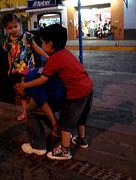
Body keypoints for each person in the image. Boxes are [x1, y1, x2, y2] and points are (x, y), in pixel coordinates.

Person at [21, 24, 93, 160]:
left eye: (42, 43)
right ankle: (81, 140)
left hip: (76, 92)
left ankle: (65, 150)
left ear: (50, 44)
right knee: (81, 117)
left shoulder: (54, 58)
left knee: (66, 121)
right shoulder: (66, 53)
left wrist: (25, 84)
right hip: (88, 87)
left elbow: (42, 80)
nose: (42, 47)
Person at [2, 13, 49, 121]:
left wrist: (47, 57)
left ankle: (33, 109)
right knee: (21, 92)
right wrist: (10, 69)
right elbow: (9, 54)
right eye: (10, 28)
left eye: (15, 26)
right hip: (17, 70)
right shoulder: (8, 41)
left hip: (29, 68)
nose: (13, 30)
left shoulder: (27, 36)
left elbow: (36, 48)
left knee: (31, 90)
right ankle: (25, 112)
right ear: (6, 29)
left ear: (20, 25)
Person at [10, 67, 66, 155]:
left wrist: (54, 124)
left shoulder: (28, 82)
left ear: (16, 86)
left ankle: (37, 146)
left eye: (18, 93)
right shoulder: (32, 73)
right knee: (36, 108)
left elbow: (43, 103)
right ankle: (63, 133)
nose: (21, 95)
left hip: (57, 98)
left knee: (29, 110)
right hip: (65, 94)